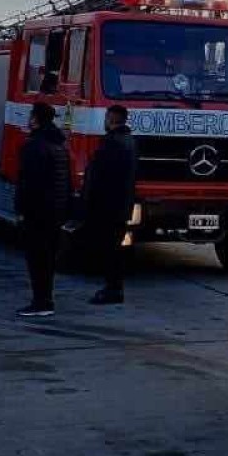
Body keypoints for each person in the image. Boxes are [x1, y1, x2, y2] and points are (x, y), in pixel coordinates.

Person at [15, 102, 71, 317]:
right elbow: (65, 182)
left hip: (38, 212)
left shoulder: (35, 146)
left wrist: (21, 209)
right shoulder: (59, 145)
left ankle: (41, 302)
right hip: (55, 212)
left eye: (31, 116)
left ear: (35, 119)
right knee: (47, 259)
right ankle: (45, 299)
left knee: (37, 259)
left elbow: (29, 182)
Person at [85, 104, 138, 305]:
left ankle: (113, 289)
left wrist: (90, 204)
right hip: (122, 206)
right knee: (114, 249)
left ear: (111, 119)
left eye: (107, 117)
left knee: (110, 250)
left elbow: (100, 178)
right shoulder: (130, 142)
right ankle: (114, 288)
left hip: (109, 207)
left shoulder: (111, 143)